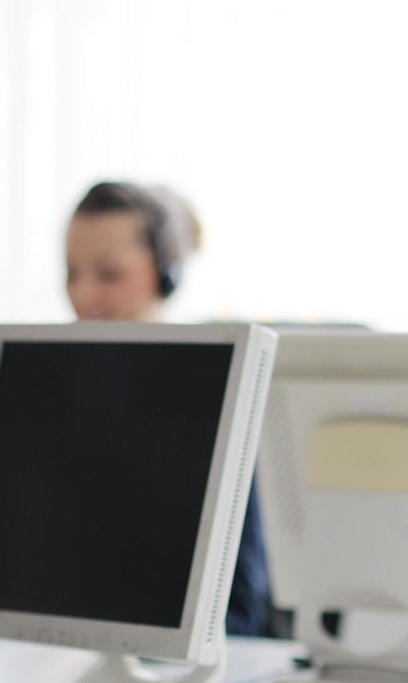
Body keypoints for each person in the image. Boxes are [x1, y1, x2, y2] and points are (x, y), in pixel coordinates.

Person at [65, 181, 288, 638]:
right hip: (73, 659)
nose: (84, 294)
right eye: (70, 273)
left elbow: (240, 610)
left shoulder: (215, 400)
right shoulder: (60, 396)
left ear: (166, 273)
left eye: (108, 274)